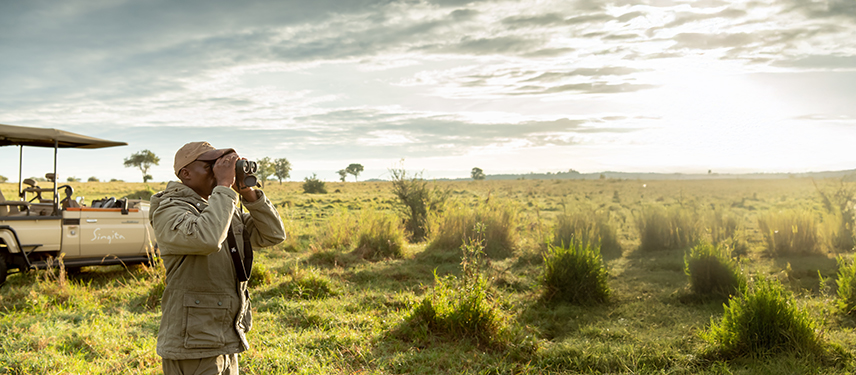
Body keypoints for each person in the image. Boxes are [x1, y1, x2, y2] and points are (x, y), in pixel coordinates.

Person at [150, 141, 285, 374]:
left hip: (224, 335)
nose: (220, 170)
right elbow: (207, 239)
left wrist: (248, 192)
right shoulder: (170, 209)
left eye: (222, 165)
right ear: (186, 173)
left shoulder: (220, 205)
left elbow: (273, 235)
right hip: (192, 342)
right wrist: (223, 185)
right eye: (211, 165)